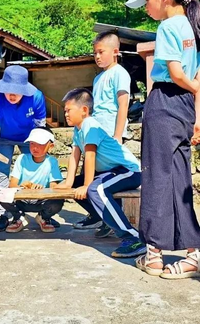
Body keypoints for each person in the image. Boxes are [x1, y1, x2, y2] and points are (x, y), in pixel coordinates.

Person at [126, 0, 200, 279]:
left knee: (156, 176)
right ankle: (193, 252)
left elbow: (176, 73)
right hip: (184, 108)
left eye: (147, 0)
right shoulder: (192, 26)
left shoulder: (170, 25)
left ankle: (153, 253)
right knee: (179, 178)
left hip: (167, 100)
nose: (145, 7)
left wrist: (197, 89)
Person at [55, 88, 145, 258]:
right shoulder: (78, 129)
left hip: (127, 171)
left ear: (84, 110)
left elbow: (90, 156)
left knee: (96, 189)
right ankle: (104, 219)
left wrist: (88, 186)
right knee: (75, 184)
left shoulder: (90, 125)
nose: (65, 114)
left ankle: (133, 238)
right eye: (64, 110)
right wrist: (68, 182)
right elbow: (75, 156)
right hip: (110, 172)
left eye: (68, 110)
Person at [73, 32, 132, 236]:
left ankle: (114, 221)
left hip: (110, 137)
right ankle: (102, 216)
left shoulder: (120, 73)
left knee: (108, 180)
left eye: (101, 52)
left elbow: (122, 105)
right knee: (91, 178)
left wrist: (117, 135)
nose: (97, 56)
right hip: (96, 135)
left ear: (115, 52)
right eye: (95, 52)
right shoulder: (98, 78)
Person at [0, 65, 47, 232]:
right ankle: (4, 215)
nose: (12, 94)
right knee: (1, 174)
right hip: (2, 139)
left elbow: (40, 128)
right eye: (8, 90)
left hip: (29, 138)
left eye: (17, 90)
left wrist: (41, 149)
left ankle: (43, 213)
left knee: (35, 172)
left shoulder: (36, 97)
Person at [0, 127, 64, 233]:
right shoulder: (22, 158)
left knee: (58, 200)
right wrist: (23, 187)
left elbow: (53, 187)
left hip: (41, 201)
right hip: (22, 200)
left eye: (40, 144)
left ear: (50, 146)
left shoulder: (52, 162)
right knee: (1, 194)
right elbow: (12, 185)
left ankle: (43, 217)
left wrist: (41, 189)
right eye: (32, 144)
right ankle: (19, 217)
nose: (35, 148)